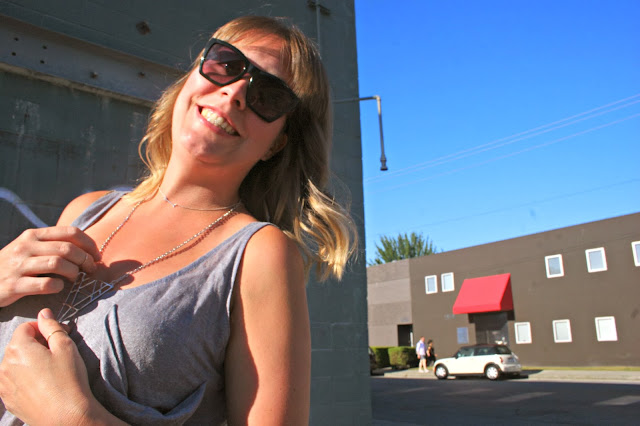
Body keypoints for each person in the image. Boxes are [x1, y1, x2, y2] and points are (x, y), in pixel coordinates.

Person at [0, 15, 356, 425]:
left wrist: (72, 417)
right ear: (191, 76)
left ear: (275, 144)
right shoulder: (86, 210)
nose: (235, 92)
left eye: (269, 96)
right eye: (226, 64)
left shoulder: (259, 254)